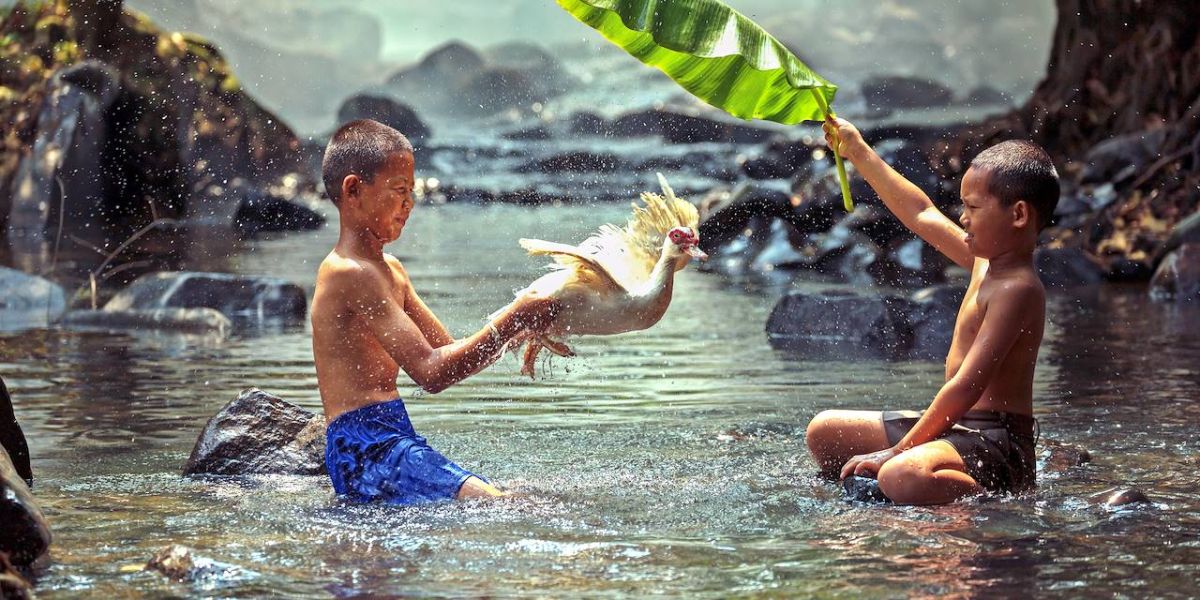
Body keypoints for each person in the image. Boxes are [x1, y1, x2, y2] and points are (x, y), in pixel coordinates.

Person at [805, 117, 1060, 505]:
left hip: (995, 441)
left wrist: (896, 450)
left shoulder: (1019, 289)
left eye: (973, 207)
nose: (962, 217)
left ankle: (996, 500)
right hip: (957, 429)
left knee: (902, 474)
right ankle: (925, 468)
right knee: (824, 432)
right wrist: (857, 150)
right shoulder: (984, 261)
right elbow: (920, 212)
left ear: (1019, 215)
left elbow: (966, 387)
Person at [310, 119, 560, 504]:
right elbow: (431, 372)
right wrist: (515, 315)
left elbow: (449, 351)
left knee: (519, 496)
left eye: (412, 191)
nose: (409, 203)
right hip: (364, 448)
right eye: (398, 191)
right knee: (502, 505)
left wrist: (521, 330)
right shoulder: (348, 272)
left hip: (395, 437)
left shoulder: (391, 270)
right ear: (354, 189)